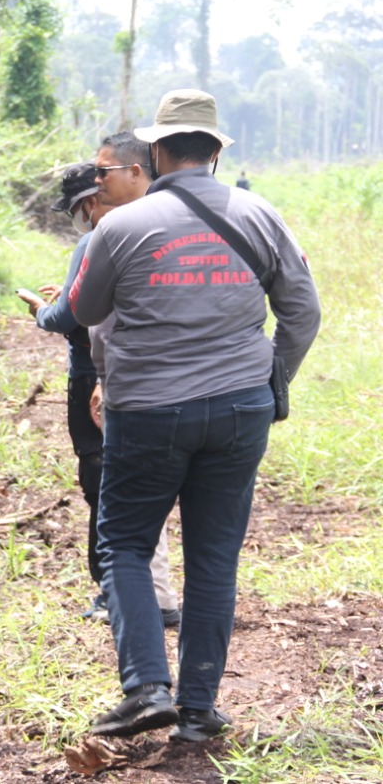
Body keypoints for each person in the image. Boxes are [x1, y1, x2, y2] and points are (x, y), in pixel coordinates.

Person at [70, 89, 321, 741]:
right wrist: (273, 380)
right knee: (213, 556)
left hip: (148, 411)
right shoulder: (262, 215)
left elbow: (87, 309)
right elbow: (303, 311)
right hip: (240, 409)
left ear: (156, 151)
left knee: (125, 541)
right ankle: (201, 709)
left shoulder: (118, 228)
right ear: (215, 150)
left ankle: (148, 688)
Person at [19, 155, 179, 628]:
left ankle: (117, 593)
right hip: (153, 375)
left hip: (98, 374)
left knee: (103, 482)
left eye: (79, 207)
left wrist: (41, 311)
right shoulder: (158, 230)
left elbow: (73, 316)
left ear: (91, 200)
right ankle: (152, 592)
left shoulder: (98, 238)